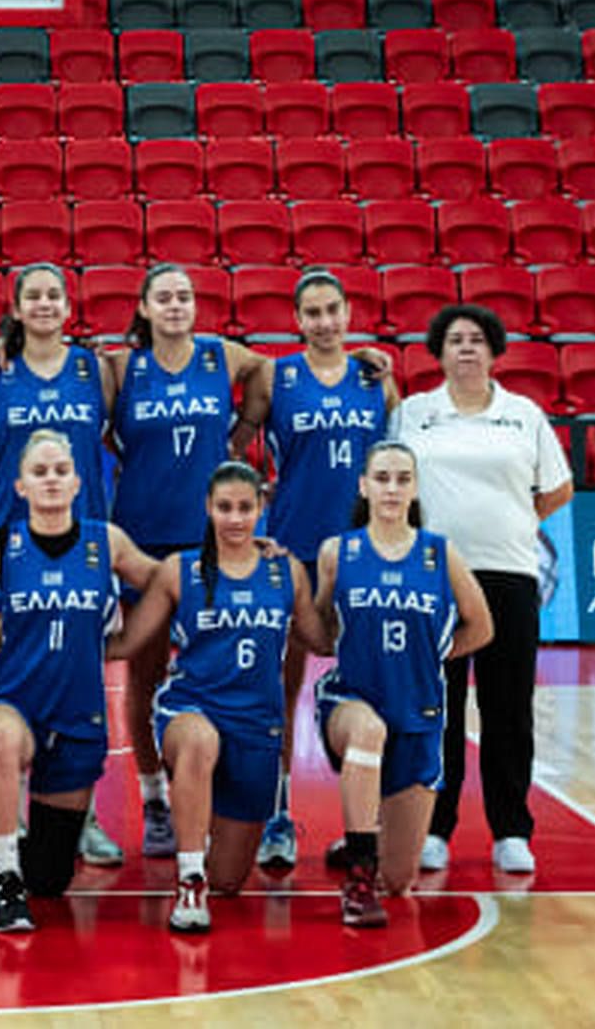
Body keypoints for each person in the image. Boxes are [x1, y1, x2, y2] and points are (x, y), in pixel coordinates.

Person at [0, 429, 161, 932]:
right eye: (39, 472)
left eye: (61, 471)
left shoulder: (106, 541)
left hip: (76, 716)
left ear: (77, 482)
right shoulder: (1, 543)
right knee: (3, 740)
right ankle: (5, 883)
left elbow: (169, 579)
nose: (51, 479)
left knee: (49, 878)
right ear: (20, 485)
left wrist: (127, 641)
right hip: (12, 701)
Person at [390, 304, 572, 875]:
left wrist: (515, 522)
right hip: (433, 577)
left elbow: (558, 489)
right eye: (454, 340)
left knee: (508, 709)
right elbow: (391, 482)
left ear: (493, 351)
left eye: (476, 339)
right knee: (436, 708)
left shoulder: (523, 415)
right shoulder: (414, 414)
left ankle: (511, 830)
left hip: (509, 575)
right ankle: (434, 828)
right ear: (439, 353)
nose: (466, 348)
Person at [106, 462, 324, 933]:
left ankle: (204, 839)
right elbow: (127, 643)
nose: (235, 518)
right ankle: (189, 879)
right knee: (199, 741)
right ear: (208, 507)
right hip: (191, 707)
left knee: (229, 880)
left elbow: (322, 640)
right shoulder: (180, 570)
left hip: (257, 727)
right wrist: (54, 629)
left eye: (245, 507)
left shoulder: (285, 572)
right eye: (224, 507)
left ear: (261, 507)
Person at [105, 263, 271, 861]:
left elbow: (269, 373)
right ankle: (154, 798)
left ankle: (222, 792)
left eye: (184, 297)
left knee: (218, 668)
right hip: (144, 537)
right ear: (144, 308)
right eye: (164, 297)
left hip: (213, 541)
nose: (176, 305)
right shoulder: (121, 368)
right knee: (145, 672)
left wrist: (238, 438)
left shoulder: (220, 356)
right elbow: (95, 424)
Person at [0, 261, 123, 867]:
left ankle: (82, 816)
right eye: (32, 296)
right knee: (11, 672)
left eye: (53, 295)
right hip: (13, 544)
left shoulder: (95, 369)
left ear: (68, 305)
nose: (43, 304)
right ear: (16, 308)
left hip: (81, 543)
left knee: (85, 676)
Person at [312, 441, 493, 926]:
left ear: (414, 489)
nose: (392, 488)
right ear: (363, 486)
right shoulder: (338, 552)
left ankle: (364, 839)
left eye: (402, 479)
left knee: (398, 880)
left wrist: (432, 653)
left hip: (417, 711)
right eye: (382, 478)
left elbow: (482, 626)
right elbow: (322, 630)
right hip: (351, 699)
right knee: (368, 732)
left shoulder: (440, 554)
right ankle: (358, 871)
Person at [252, 271, 399, 868]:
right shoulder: (276, 377)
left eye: (332, 309)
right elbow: (235, 443)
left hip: (362, 552)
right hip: (293, 550)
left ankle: (367, 823)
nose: (323, 322)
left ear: (348, 312)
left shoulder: (375, 379)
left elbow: (395, 461)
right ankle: (276, 814)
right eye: (311, 313)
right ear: (297, 319)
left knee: (371, 688)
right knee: (280, 690)